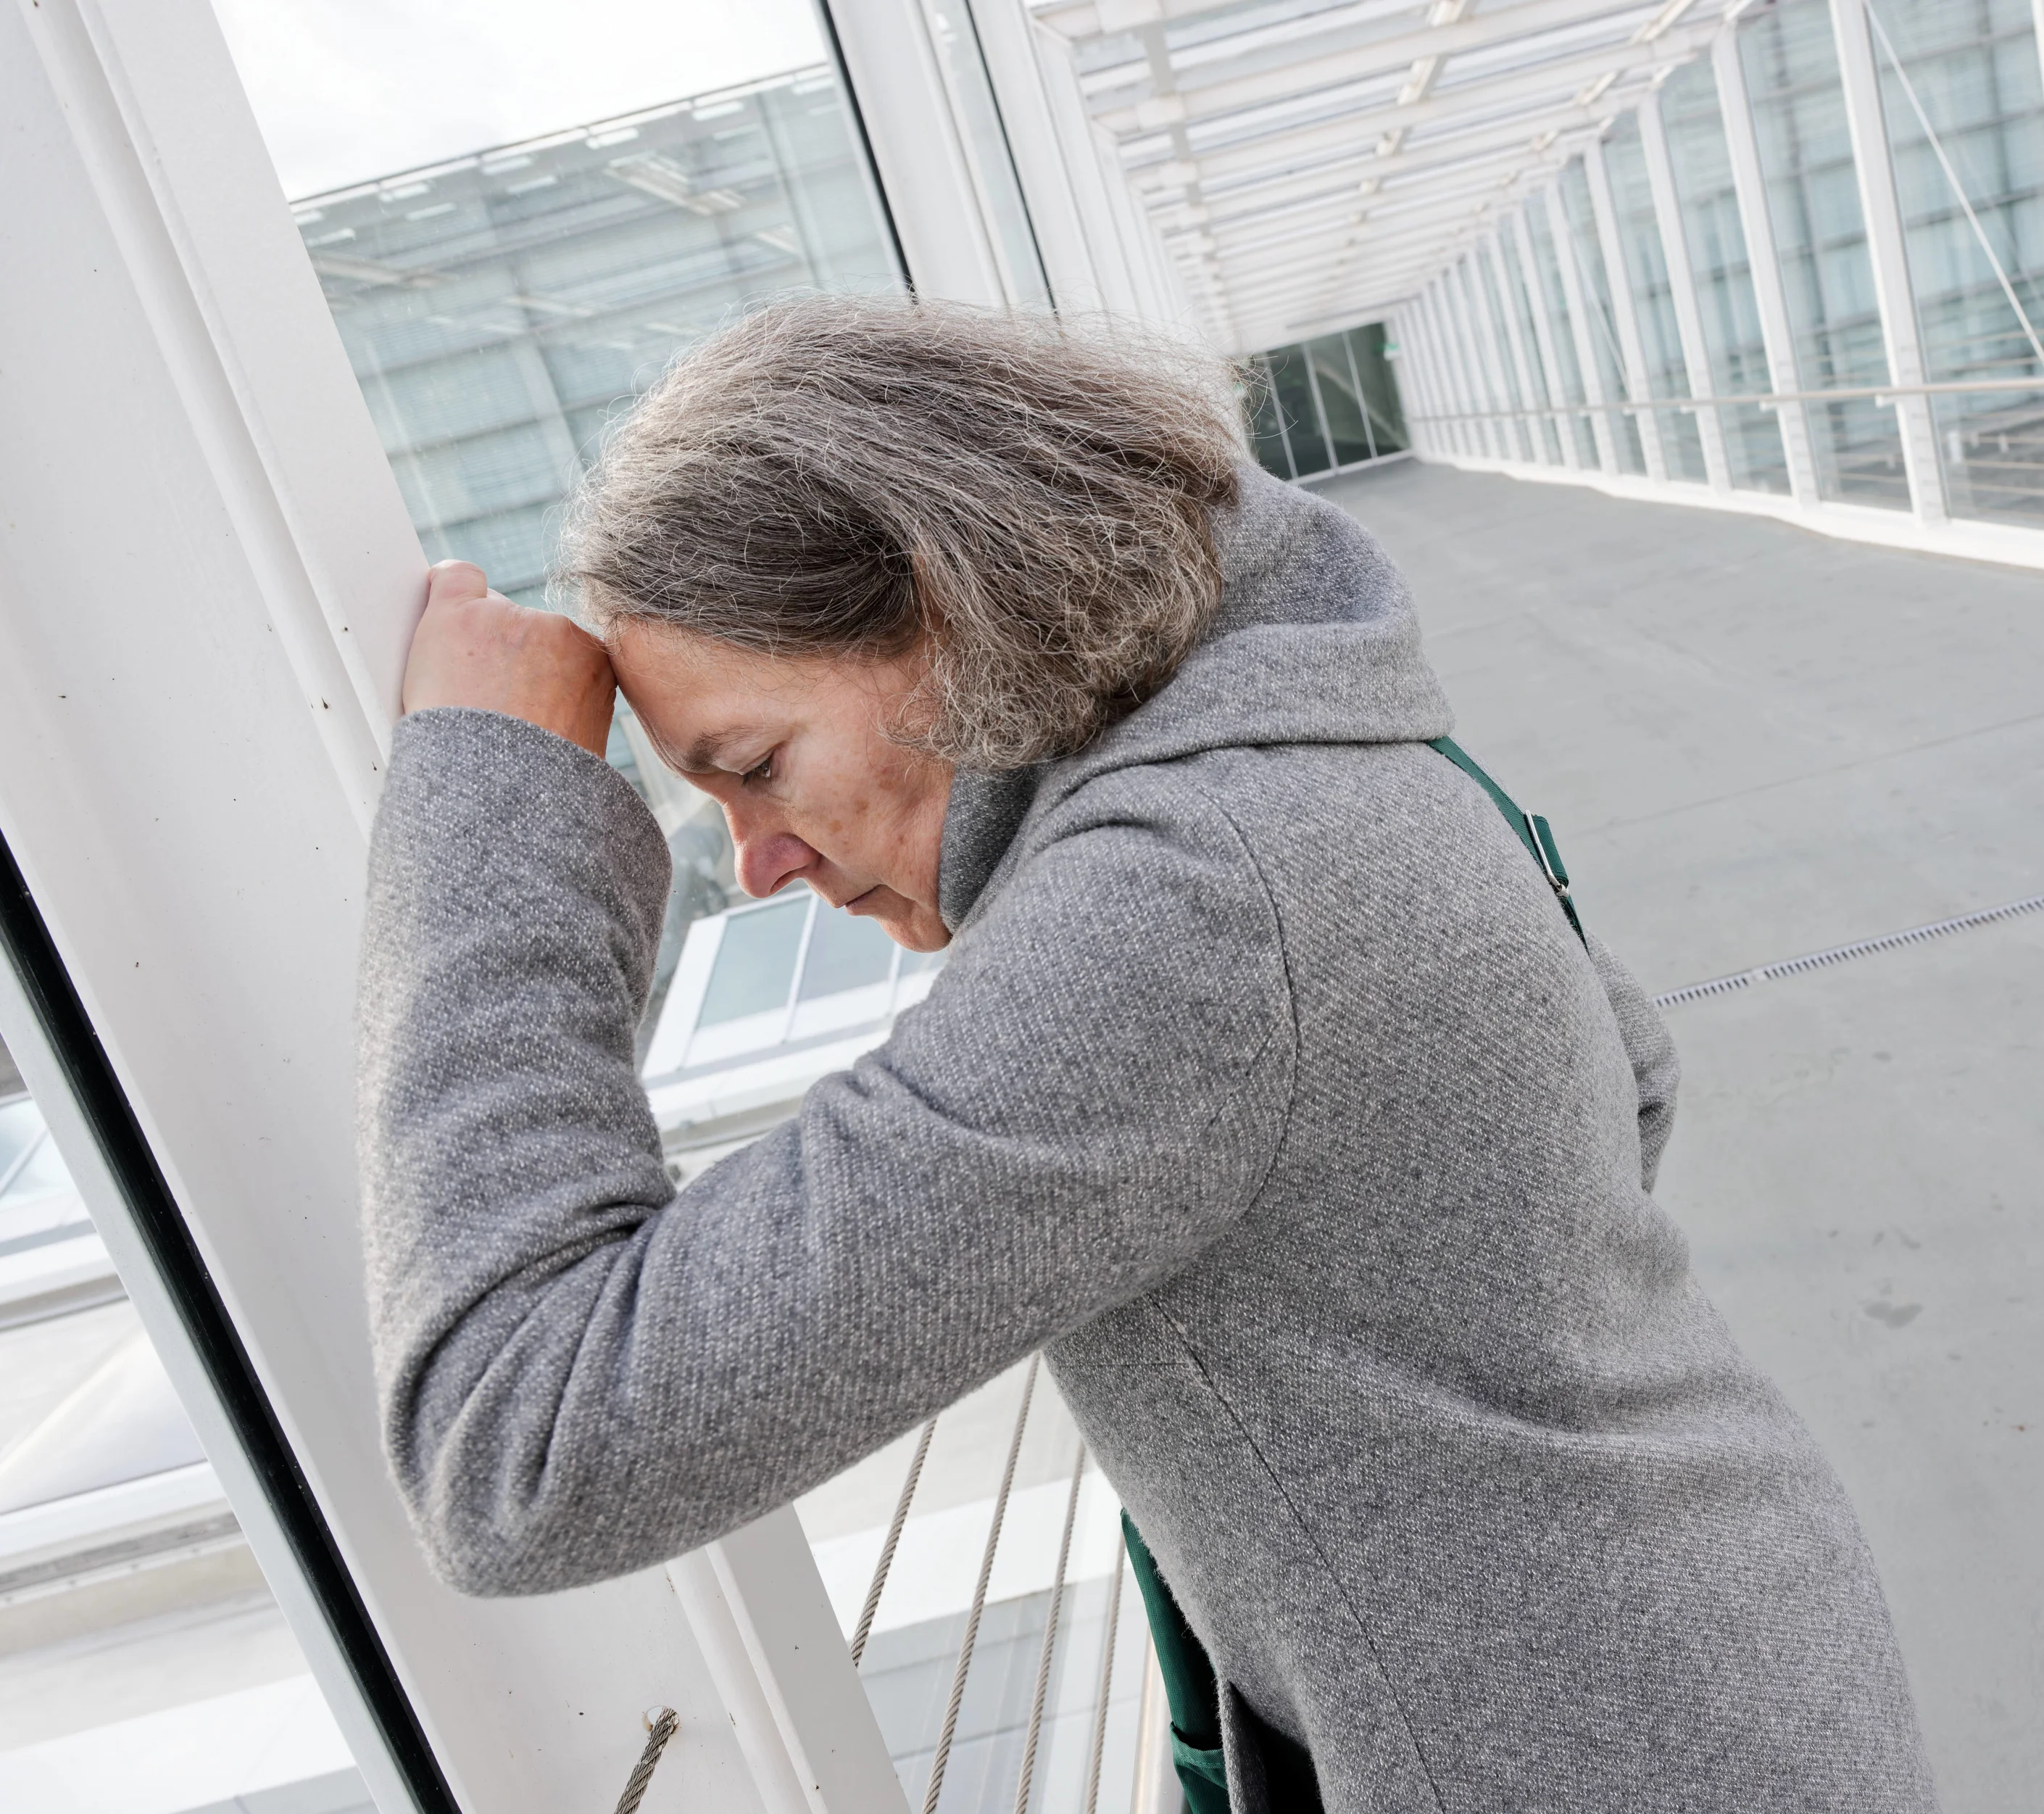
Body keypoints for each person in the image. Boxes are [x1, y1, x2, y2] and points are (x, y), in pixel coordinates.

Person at [358, 294, 1936, 1813]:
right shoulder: (1312, 735)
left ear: (944, 607)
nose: (757, 861)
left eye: (756, 767)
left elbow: (523, 1444)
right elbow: (1628, 1071)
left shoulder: (1185, 909)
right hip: (1716, 1661)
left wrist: (498, 813)